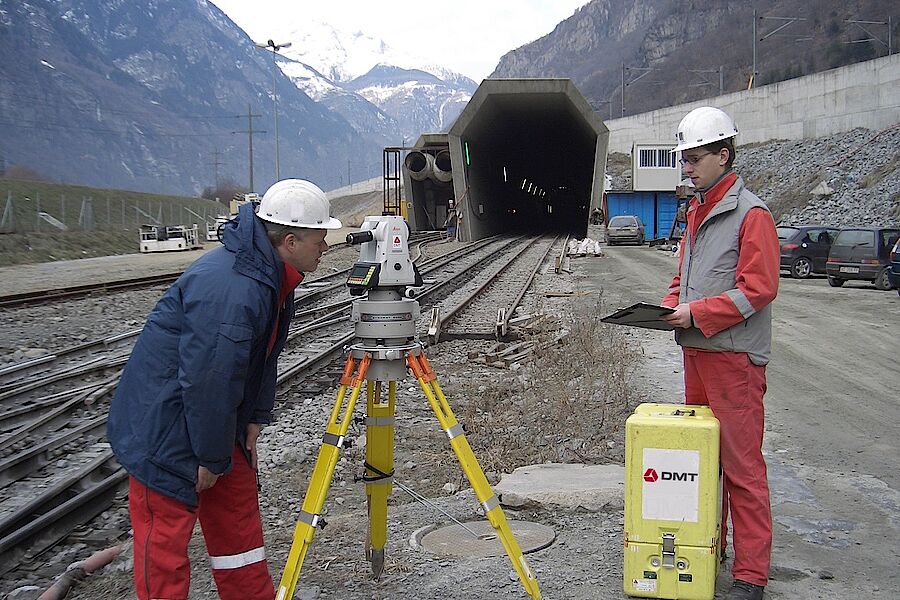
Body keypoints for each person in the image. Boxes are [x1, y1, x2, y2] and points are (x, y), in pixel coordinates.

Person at [108, 179, 341, 600]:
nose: (325, 248)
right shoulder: (234, 288)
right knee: (163, 547)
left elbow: (261, 357)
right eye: (320, 240)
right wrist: (212, 455)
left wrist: (254, 417)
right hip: (166, 426)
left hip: (215, 421)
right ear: (290, 241)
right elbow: (209, 377)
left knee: (238, 531)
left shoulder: (270, 274)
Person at [660, 107, 779, 600]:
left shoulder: (752, 215)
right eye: (683, 159)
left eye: (694, 158)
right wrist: (667, 306)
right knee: (704, 460)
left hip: (733, 359)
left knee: (742, 467)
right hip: (698, 355)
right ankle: (715, 547)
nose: (686, 168)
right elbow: (681, 278)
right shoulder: (696, 214)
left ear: (723, 155)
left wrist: (697, 313)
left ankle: (751, 576)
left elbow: (759, 288)